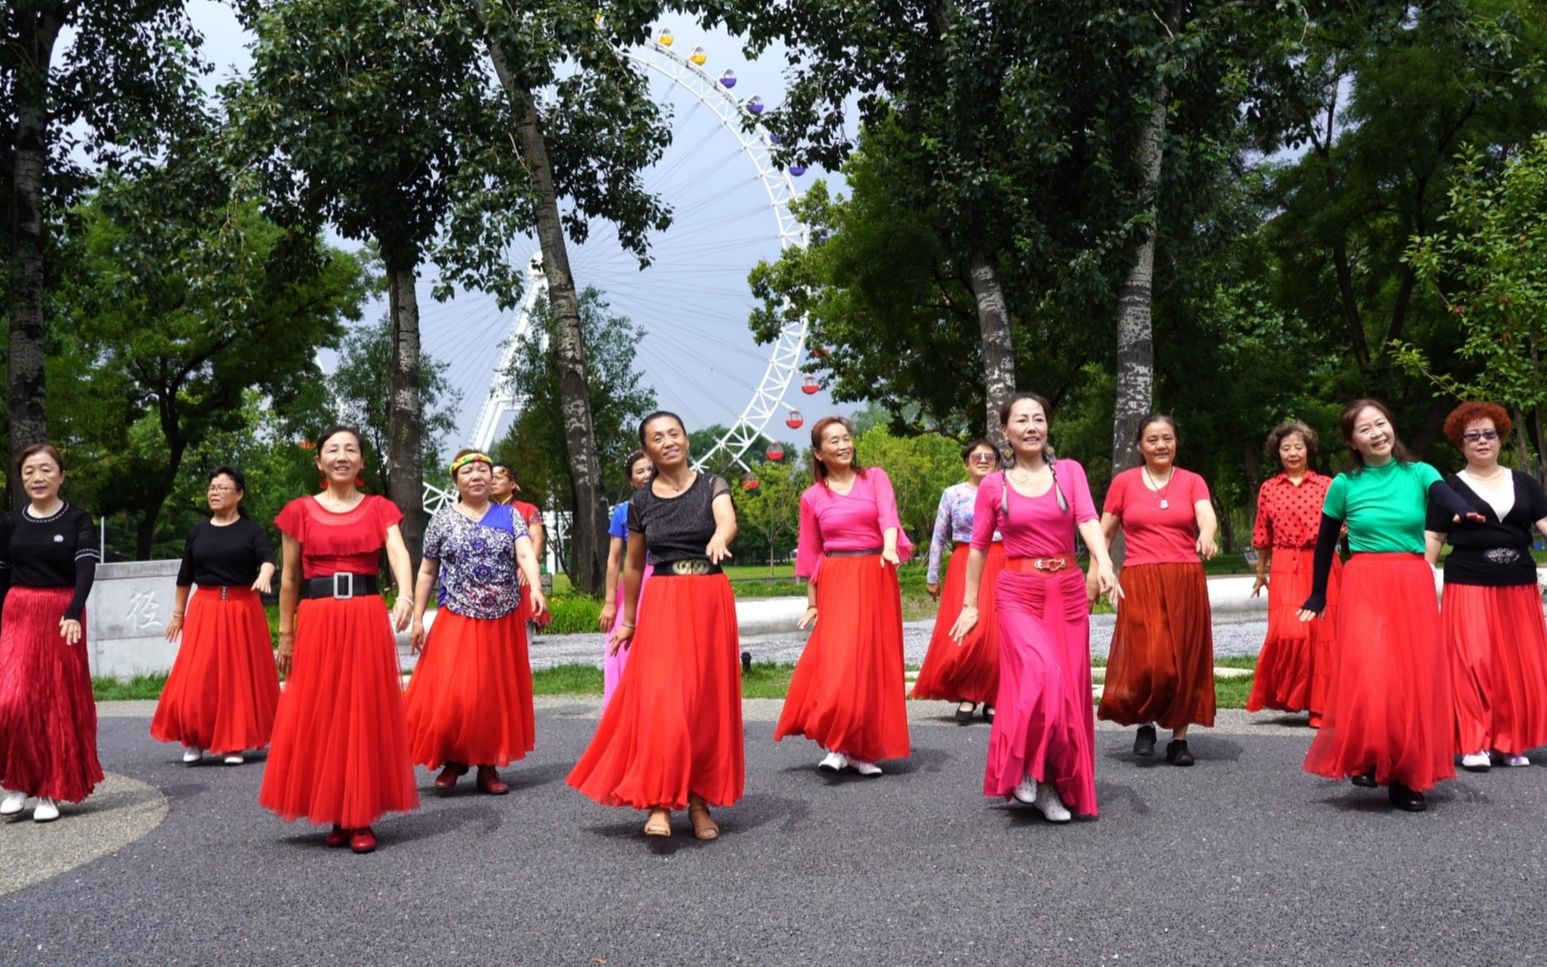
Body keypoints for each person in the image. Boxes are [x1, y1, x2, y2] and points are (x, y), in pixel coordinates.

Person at [567, 412, 743, 841]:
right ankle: (660, 801)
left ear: (685, 439)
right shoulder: (641, 503)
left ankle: (700, 802)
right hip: (662, 599)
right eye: (657, 438)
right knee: (664, 702)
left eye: (674, 434)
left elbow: (727, 520)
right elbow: (631, 564)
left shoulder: (712, 484)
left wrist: (721, 537)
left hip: (709, 597)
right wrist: (628, 620)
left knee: (705, 704)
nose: (668, 442)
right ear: (647, 451)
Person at [1298, 399, 1479, 812]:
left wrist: (1464, 511)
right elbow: (1326, 542)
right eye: (1365, 429)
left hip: (1411, 579)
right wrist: (1318, 592)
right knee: (1371, 671)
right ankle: (1370, 754)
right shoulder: (1344, 484)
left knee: (1410, 675)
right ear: (1352, 441)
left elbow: (1444, 496)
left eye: (1381, 424)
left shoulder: (1419, 473)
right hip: (1364, 580)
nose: (1377, 432)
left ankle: (1403, 774)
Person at [951, 394, 1118, 822]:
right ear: (1005, 431)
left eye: (1038, 419)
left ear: (1048, 427)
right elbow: (978, 549)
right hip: (1018, 593)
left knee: (1066, 692)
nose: (1031, 427)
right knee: (1040, 675)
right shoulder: (994, 485)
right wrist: (970, 605)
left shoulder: (1069, 472)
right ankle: (1025, 766)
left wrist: (1105, 564)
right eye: (1021, 420)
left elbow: (1086, 519)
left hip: (1066, 592)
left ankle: (1047, 785)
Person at [259, 425, 418, 853]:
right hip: (318, 618)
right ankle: (334, 809)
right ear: (320, 462)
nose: (342, 456)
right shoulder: (299, 511)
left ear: (362, 462)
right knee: (323, 710)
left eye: (351, 449)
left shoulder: (380, 508)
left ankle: (360, 815)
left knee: (363, 710)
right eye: (333, 449)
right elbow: (289, 577)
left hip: (365, 616)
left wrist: (404, 593)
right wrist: (286, 634)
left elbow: (398, 552)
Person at [774, 416, 913, 775]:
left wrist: (888, 548)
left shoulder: (875, 478)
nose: (843, 445)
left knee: (869, 663)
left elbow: (888, 517)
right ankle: (836, 743)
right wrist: (813, 602)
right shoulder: (812, 497)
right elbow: (811, 553)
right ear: (819, 453)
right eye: (833, 441)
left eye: (846, 438)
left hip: (877, 571)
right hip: (836, 576)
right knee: (838, 661)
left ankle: (860, 749)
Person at [406, 450, 546, 796]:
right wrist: (419, 618)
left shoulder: (509, 516)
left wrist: (537, 588)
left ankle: (488, 766)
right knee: (456, 693)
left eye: (484, 470)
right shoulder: (442, 519)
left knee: (492, 693)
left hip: (503, 616)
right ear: (456, 481)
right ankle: (454, 758)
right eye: (468, 471)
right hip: (458, 614)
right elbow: (427, 570)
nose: (477, 476)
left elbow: (526, 552)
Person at [1425, 402, 1547, 771]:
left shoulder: (1525, 482)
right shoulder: (1448, 487)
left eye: (1489, 434)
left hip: (1518, 585)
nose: (1482, 441)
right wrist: (1424, 578)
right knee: (1473, 662)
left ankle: (1510, 741)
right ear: (1459, 443)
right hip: (1469, 583)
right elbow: (1433, 536)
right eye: (1472, 436)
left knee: (1517, 664)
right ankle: (1473, 741)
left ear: (1501, 437)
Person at [1097, 414, 1218, 766]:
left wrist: (1206, 534)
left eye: (1167, 438)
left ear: (1176, 442)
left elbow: (1205, 515)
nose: (1160, 445)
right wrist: (1101, 570)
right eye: (1152, 439)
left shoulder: (1193, 481)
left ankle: (1179, 739)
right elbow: (1103, 532)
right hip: (1140, 577)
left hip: (1184, 577)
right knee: (1151, 660)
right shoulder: (1124, 482)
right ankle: (1146, 723)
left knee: (1184, 659)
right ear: (1140, 445)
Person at [0, 444, 103, 823]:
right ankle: (16, 782)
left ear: (61, 475)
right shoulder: (11, 522)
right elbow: (2, 572)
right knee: (10, 701)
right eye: (28, 471)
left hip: (62, 616)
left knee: (53, 703)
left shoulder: (77, 518)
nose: (37, 477)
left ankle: (49, 791)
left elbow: (86, 568)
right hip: (18, 613)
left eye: (45, 470)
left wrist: (74, 611)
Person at [151, 466, 279, 766]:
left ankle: (235, 742)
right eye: (212, 487)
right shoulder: (198, 531)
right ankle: (195, 738)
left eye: (223, 487)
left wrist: (264, 576)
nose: (215, 492)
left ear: (239, 494)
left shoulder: (251, 531)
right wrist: (177, 615)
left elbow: (268, 560)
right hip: (205, 608)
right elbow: (185, 576)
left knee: (237, 677)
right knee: (199, 675)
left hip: (242, 608)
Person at [1246, 423, 1341, 727]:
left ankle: (1321, 707)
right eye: (1286, 448)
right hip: (1285, 562)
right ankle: (1289, 695)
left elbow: (1348, 518)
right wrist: (1261, 572)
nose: (1292, 453)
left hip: (1322, 560)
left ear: (1308, 449)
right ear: (1278, 453)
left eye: (1298, 446)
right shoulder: (1269, 488)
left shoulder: (1328, 484)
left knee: (1324, 636)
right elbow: (1262, 533)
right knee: (1289, 633)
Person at [912, 439, 1005, 724]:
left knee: (997, 635)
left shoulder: (1008, 491)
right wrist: (932, 576)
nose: (983, 459)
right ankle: (967, 693)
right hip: (964, 564)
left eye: (989, 456)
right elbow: (939, 538)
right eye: (976, 456)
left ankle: (993, 696)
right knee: (967, 634)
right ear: (966, 463)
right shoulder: (952, 494)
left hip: (1002, 562)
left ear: (998, 463)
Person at [599, 450, 655, 707]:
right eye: (639, 471)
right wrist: (610, 601)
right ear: (631, 480)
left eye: (649, 469)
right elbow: (614, 559)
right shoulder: (622, 512)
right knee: (619, 644)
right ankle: (621, 706)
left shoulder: (672, 504)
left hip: (663, 578)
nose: (646, 475)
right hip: (634, 581)